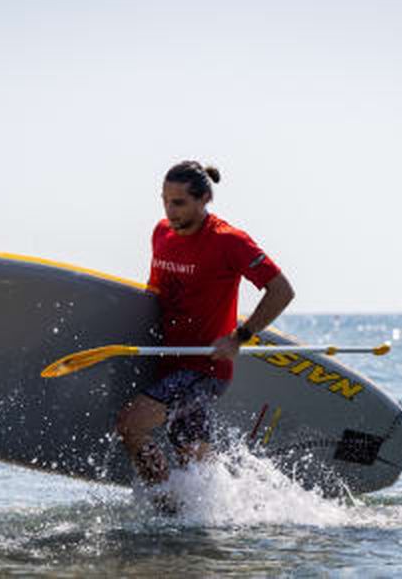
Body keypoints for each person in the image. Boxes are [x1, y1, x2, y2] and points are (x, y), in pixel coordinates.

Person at [116, 160, 295, 493]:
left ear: (204, 200)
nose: (170, 211)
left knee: (131, 424)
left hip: (205, 365)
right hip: (167, 361)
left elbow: (282, 290)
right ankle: (223, 507)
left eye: (179, 203)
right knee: (191, 452)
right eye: (165, 201)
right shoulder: (161, 233)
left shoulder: (230, 241)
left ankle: (166, 503)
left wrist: (239, 337)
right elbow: (154, 293)